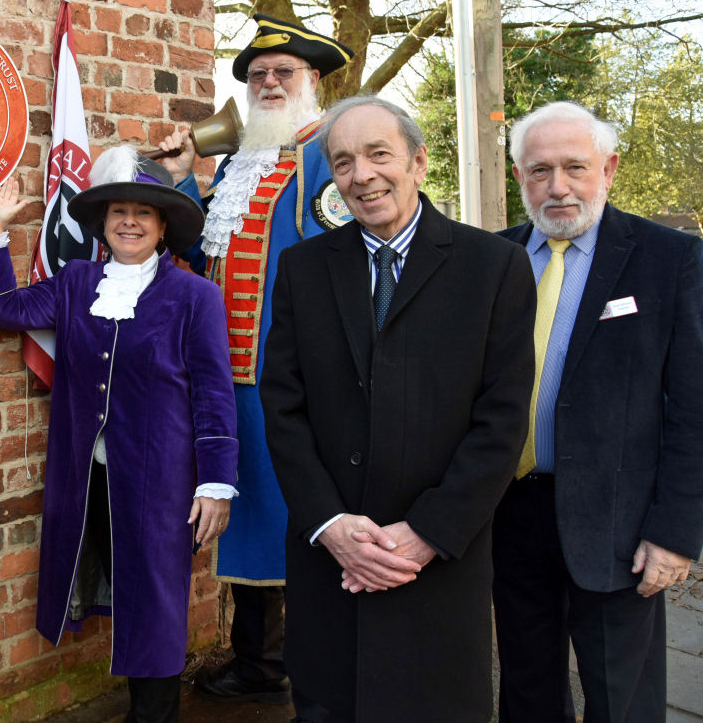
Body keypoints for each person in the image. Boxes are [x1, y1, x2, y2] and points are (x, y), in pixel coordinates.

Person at [259, 95, 537, 722]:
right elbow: (284, 408)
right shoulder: (303, 268)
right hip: (331, 562)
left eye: (378, 154)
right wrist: (329, 524)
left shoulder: (493, 265)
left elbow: (501, 422)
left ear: (418, 160)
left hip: (435, 566)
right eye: (343, 161)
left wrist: (426, 535)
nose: (362, 175)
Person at [0, 148, 239, 723]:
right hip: (86, 476)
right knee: (105, 581)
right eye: (118, 211)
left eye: (143, 213)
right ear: (103, 221)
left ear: (163, 225)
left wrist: (216, 482)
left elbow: (215, 395)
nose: (130, 222)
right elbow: (4, 308)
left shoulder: (195, 297)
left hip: (162, 482)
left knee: (155, 607)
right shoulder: (76, 281)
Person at [156, 14, 355, 704]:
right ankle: (258, 661)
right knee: (243, 520)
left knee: (290, 520)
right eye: (258, 75)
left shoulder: (328, 150)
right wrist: (184, 179)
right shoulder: (241, 163)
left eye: (284, 74)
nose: (268, 83)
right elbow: (197, 251)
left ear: (314, 82)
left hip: (289, 381)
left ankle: (301, 660)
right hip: (225, 383)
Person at [492, 101, 703, 723]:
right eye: (539, 170)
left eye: (575, 168)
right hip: (510, 515)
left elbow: (694, 408)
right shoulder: (491, 260)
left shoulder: (669, 260)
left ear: (608, 170)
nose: (558, 187)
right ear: (519, 178)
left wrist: (674, 533)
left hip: (620, 522)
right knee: (526, 690)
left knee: (622, 699)